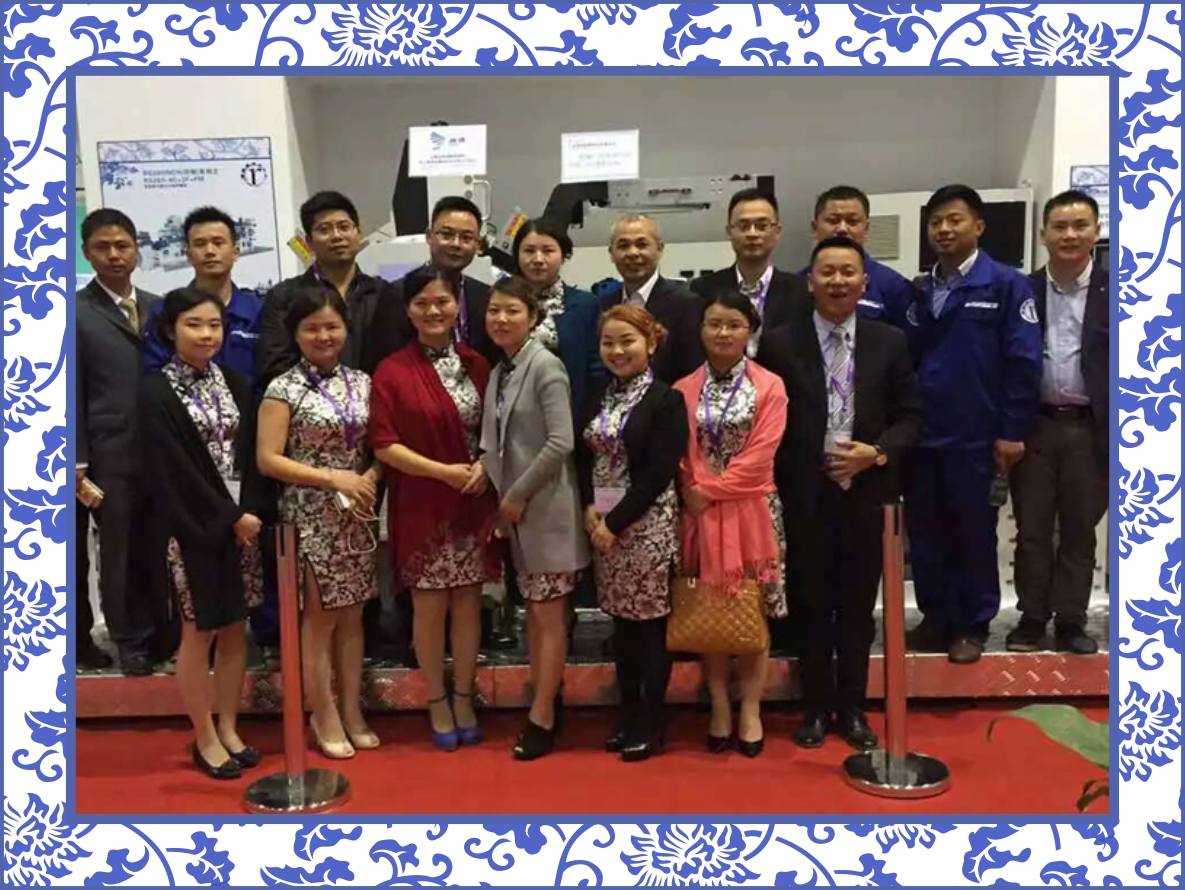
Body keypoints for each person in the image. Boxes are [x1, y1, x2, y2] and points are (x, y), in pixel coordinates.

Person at [758, 236, 922, 750]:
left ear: (864, 283)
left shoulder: (889, 341)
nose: (837, 281)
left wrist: (876, 453)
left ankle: (852, 709)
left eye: (847, 272)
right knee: (810, 606)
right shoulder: (780, 344)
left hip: (866, 492)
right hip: (804, 494)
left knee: (856, 609)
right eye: (826, 272)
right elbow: (769, 422)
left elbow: (912, 417)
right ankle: (814, 708)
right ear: (810, 282)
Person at [904, 184, 1042, 664]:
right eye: (936, 222)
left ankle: (971, 624)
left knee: (972, 533)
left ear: (978, 226)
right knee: (926, 533)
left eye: (954, 220)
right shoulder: (921, 289)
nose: (944, 229)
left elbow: (1024, 362)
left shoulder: (1006, 285)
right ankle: (935, 617)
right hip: (923, 436)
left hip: (977, 436)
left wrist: (1012, 430)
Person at [369, 269, 501, 750]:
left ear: (456, 306)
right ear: (408, 311)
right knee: (428, 609)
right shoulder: (391, 371)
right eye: (422, 303)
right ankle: (436, 700)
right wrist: (442, 471)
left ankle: (464, 696)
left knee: (467, 605)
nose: (433, 311)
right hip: (422, 503)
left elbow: (498, 430)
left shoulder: (477, 364)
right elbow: (383, 444)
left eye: (442, 301)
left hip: (472, 501)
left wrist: (486, 466)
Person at [139, 287, 265, 779]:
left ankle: (229, 726)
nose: (207, 334)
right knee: (199, 631)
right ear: (170, 330)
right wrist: (228, 516)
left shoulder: (234, 381)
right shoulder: (155, 392)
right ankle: (205, 736)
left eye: (214, 325)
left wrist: (247, 511)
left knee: (235, 628)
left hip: (241, 526)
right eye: (194, 324)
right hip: (191, 528)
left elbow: (248, 455)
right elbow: (174, 470)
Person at [257, 286, 382, 759]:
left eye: (332, 326)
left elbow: (381, 445)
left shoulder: (363, 382)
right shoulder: (282, 388)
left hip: (357, 514)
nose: (323, 336)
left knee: (353, 619)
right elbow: (268, 459)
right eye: (312, 328)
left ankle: (351, 708)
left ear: (346, 328)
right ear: (296, 334)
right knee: (319, 620)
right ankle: (322, 712)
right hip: (309, 517)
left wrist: (369, 477)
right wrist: (332, 478)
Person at [479, 276, 590, 760]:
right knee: (538, 616)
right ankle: (545, 700)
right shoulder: (500, 370)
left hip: (546, 511)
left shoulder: (546, 366)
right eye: (494, 311)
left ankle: (543, 713)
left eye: (512, 311)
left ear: (534, 317)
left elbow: (561, 442)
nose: (501, 319)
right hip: (516, 512)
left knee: (547, 618)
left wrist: (517, 495)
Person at [674, 289, 788, 758]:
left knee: (751, 610)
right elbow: (680, 452)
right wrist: (694, 487)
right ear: (701, 330)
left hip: (752, 511)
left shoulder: (770, 386)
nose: (723, 333)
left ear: (750, 331)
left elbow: (763, 454)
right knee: (712, 609)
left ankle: (751, 709)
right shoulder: (683, 388)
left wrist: (712, 489)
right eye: (714, 324)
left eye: (734, 325)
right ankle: (720, 706)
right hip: (700, 513)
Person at [574, 305, 688, 762]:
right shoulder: (598, 395)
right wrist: (588, 508)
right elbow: (583, 456)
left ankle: (650, 720)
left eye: (628, 341)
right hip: (603, 526)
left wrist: (614, 523)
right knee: (620, 626)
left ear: (651, 343)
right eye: (609, 343)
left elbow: (659, 473)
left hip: (646, 526)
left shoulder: (666, 400)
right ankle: (626, 713)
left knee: (649, 629)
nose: (617, 351)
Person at [1007, 190, 1108, 655]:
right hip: (1035, 425)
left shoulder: (1121, 291)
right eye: (1060, 226)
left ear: (1096, 232)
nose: (1069, 234)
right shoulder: (1021, 290)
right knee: (1031, 529)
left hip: (1091, 428)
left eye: (1080, 225)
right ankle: (1032, 616)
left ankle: (1071, 619)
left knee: (1078, 529)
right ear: (1043, 234)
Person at [76, 208, 165, 675]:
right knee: (120, 548)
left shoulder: (159, 307)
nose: (114, 255)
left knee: (158, 544)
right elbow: (66, 391)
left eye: (122, 245)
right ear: (86, 253)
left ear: (137, 249)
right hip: (108, 452)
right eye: (102, 247)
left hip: (161, 450)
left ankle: (163, 633)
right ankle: (129, 639)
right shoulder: (73, 312)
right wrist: (77, 459)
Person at [259, 190, 393, 388]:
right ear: (309, 241)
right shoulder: (283, 296)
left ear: (358, 233)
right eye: (324, 229)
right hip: (306, 402)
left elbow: (393, 359)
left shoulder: (384, 293)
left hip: (373, 400)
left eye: (344, 227)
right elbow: (277, 365)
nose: (337, 236)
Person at [364, 195, 496, 374]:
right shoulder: (397, 293)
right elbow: (383, 362)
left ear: (477, 245)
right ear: (429, 236)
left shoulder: (485, 296)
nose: (456, 244)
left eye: (466, 237)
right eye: (446, 234)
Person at [143, 206, 265, 388]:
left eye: (218, 242)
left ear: (236, 252)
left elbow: (270, 375)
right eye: (200, 244)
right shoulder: (165, 311)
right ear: (188, 255)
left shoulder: (260, 311)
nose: (209, 251)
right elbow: (155, 377)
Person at [690, 188, 812, 354]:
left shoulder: (801, 291)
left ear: (777, 232)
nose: (752, 234)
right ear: (729, 232)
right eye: (743, 226)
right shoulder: (702, 289)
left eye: (762, 226)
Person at [513, 217, 604, 417]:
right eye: (529, 250)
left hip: (568, 413)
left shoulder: (585, 304)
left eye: (548, 251)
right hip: (512, 413)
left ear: (563, 255)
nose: (538, 259)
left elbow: (596, 370)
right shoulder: (502, 303)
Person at [598, 214, 703, 385]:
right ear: (611, 253)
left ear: (659, 249)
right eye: (623, 246)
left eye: (642, 244)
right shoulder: (602, 305)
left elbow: (692, 372)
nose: (633, 253)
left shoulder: (687, 304)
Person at [797, 185, 917, 327]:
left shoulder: (893, 285)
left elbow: (910, 338)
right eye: (833, 220)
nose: (842, 229)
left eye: (852, 221)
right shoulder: (795, 286)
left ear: (866, 229)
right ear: (815, 228)